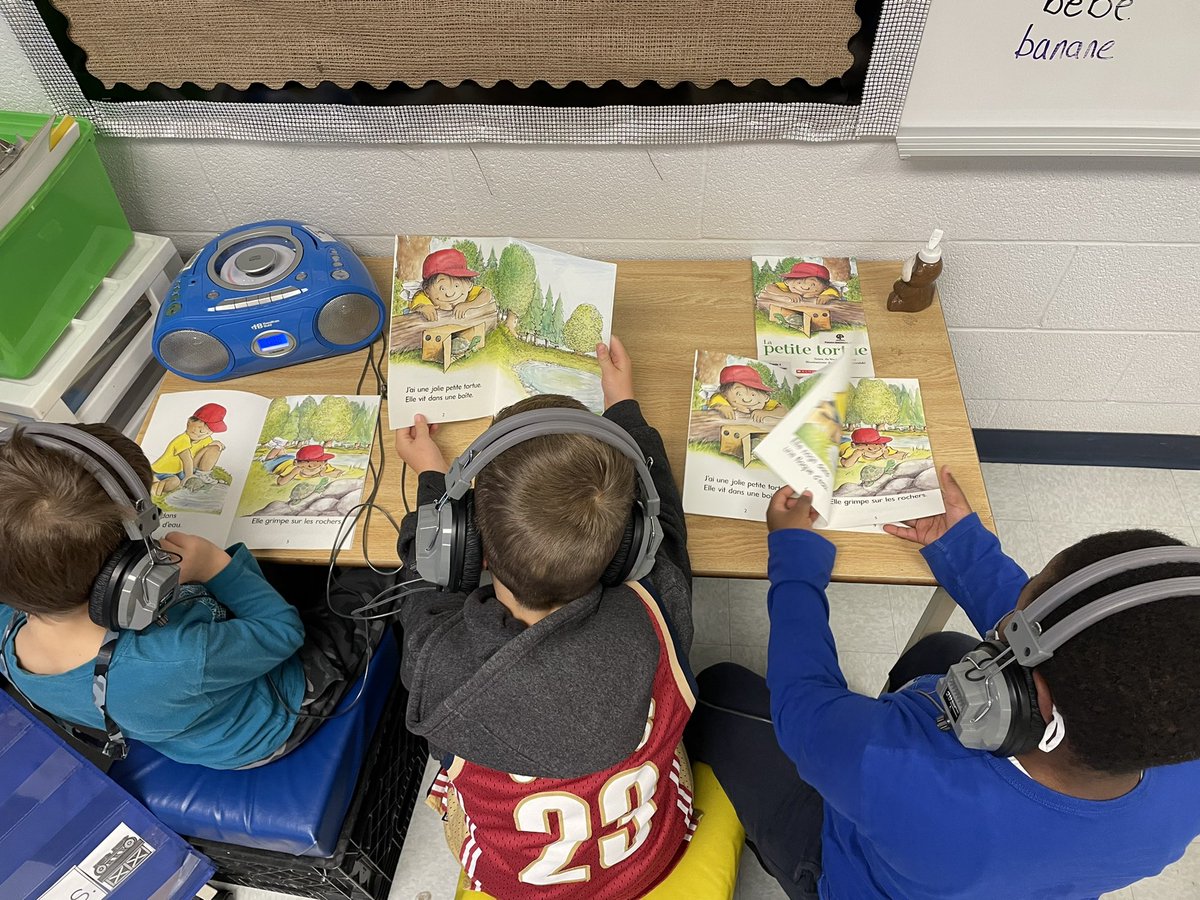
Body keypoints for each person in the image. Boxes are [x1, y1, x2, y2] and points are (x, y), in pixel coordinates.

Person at [687, 468, 1200, 899]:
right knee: (944, 651)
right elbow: (1063, 646)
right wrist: (963, 550)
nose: (1009, 614)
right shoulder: (1183, 753)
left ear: (1036, 698)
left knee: (716, 690)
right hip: (982, 865)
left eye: (1021, 609)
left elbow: (804, 707)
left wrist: (795, 560)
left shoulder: (897, 764)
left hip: (843, 867)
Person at [393, 335, 696, 898]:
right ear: (632, 545)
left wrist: (433, 480)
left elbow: (424, 576)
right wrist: (624, 409)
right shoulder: (659, 609)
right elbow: (669, 525)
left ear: (468, 547)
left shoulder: (436, 659)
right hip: (649, 856)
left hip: (515, 882)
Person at [0, 423, 385, 770]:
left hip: (193, 711)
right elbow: (284, 631)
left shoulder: (7, 633)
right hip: (268, 720)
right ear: (128, 567)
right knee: (371, 579)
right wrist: (215, 567)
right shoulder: (178, 656)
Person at [150, 402, 227, 496]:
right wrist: (189, 476)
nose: (201, 435)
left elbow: (207, 450)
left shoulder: (205, 439)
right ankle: (155, 485)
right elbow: (187, 460)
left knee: (215, 448)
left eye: (208, 433)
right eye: (200, 430)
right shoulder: (182, 440)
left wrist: (215, 444)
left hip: (182, 471)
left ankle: (203, 474)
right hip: (164, 472)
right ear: (189, 423)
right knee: (174, 482)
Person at [409, 248, 495, 322]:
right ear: (427, 290)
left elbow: (486, 294)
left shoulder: (469, 292)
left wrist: (469, 305)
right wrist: (424, 308)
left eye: (456, 286)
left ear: (469, 285)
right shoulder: (422, 296)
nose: (450, 294)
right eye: (442, 288)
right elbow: (417, 306)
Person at [707, 364, 786, 423]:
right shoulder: (721, 397)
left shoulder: (767, 403)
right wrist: (722, 407)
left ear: (765, 397)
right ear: (725, 395)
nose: (747, 399)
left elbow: (784, 411)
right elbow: (716, 401)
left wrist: (767, 413)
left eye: (753, 394)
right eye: (739, 394)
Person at [757, 262, 843, 306]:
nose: (805, 287)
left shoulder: (828, 290)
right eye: (799, 282)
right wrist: (787, 294)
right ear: (787, 282)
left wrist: (827, 297)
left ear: (825, 286)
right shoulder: (785, 287)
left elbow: (834, 294)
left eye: (812, 284)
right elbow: (769, 287)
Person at [837, 426, 909, 468]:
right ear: (854, 446)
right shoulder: (853, 451)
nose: (873, 448)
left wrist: (889, 456)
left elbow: (903, 455)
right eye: (866, 445)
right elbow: (845, 464)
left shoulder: (883, 449)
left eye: (876, 444)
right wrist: (855, 456)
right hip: (842, 444)